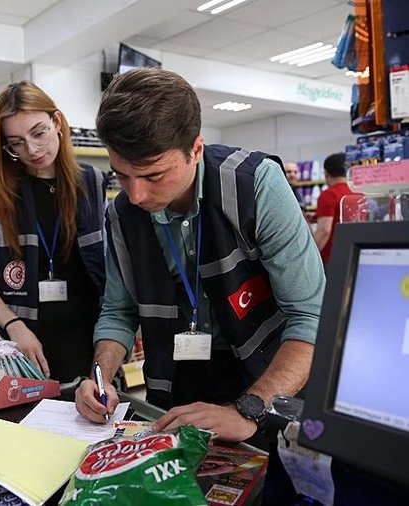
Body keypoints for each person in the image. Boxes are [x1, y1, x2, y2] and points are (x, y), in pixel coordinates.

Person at [74, 68, 325, 445]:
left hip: (270, 374)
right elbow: (118, 311)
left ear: (196, 149)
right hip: (176, 377)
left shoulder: (256, 186)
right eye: (122, 176)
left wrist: (249, 409)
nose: (137, 195)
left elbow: (310, 315)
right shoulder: (122, 214)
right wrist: (99, 376)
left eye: (154, 175)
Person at [0, 81, 107, 383]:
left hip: (86, 339)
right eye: (16, 142)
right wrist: (14, 325)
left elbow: (109, 266)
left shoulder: (91, 183)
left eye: (38, 133)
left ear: (57, 122)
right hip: (22, 345)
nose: (31, 150)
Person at [313, 152, 359, 265]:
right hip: (354, 252)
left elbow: (324, 231)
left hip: (332, 258)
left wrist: (309, 256)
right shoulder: (358, 191)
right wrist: (316, 217)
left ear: (326, 173)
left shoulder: (329, 195)